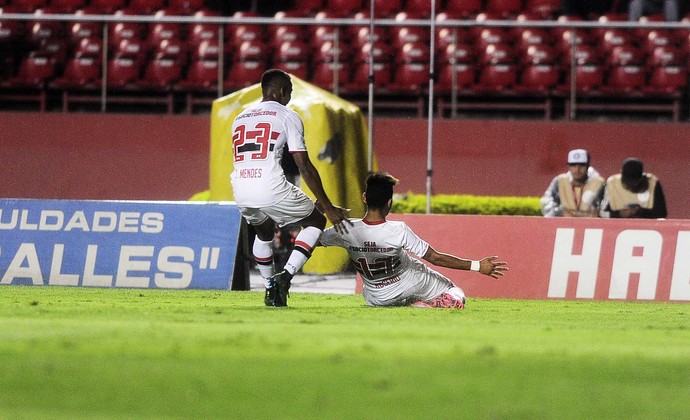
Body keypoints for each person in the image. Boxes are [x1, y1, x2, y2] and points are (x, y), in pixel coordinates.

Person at [230, 68, 352, 307]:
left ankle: (268, 288)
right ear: (282, 91)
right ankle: (285, 277)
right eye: (289, 93)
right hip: (270, 186)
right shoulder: (287, 115)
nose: (289, 98)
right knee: (316, 221)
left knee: (264, 233)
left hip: (241, 187)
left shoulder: (240, 117)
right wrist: (327, 208)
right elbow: (304, 165)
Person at [318, 172, 508, 309]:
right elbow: (435, 258)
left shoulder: (345, 229)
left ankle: (414, 304)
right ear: (390, 202)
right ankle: (421, 305)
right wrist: (477, 266)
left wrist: (321, 208)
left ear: (364, 198)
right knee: (455, 293)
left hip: (376, 298)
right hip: (410, 283)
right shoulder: (398, 230)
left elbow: (313, 240)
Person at [540, 148, 605, 218]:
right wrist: (560, 212)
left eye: (582, 165)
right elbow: (546, 204)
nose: (577, 169)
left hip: (592, 225)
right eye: (573, 165)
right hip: (564, 224)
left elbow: (606, 209)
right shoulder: (560, 181)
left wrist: (598, 214)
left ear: (588, 166)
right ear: (569, 167)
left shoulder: (599, 183)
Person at [599, 157, 668, 219]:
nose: (631, 187)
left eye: (635, 184)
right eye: (628, 183)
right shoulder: (612, 183)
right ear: (621, 174)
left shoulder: (652, 183)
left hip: (646, 227)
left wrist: (642, 212)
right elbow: (601, 213)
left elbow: (661, 214)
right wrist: (619, 214)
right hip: (617, 227)